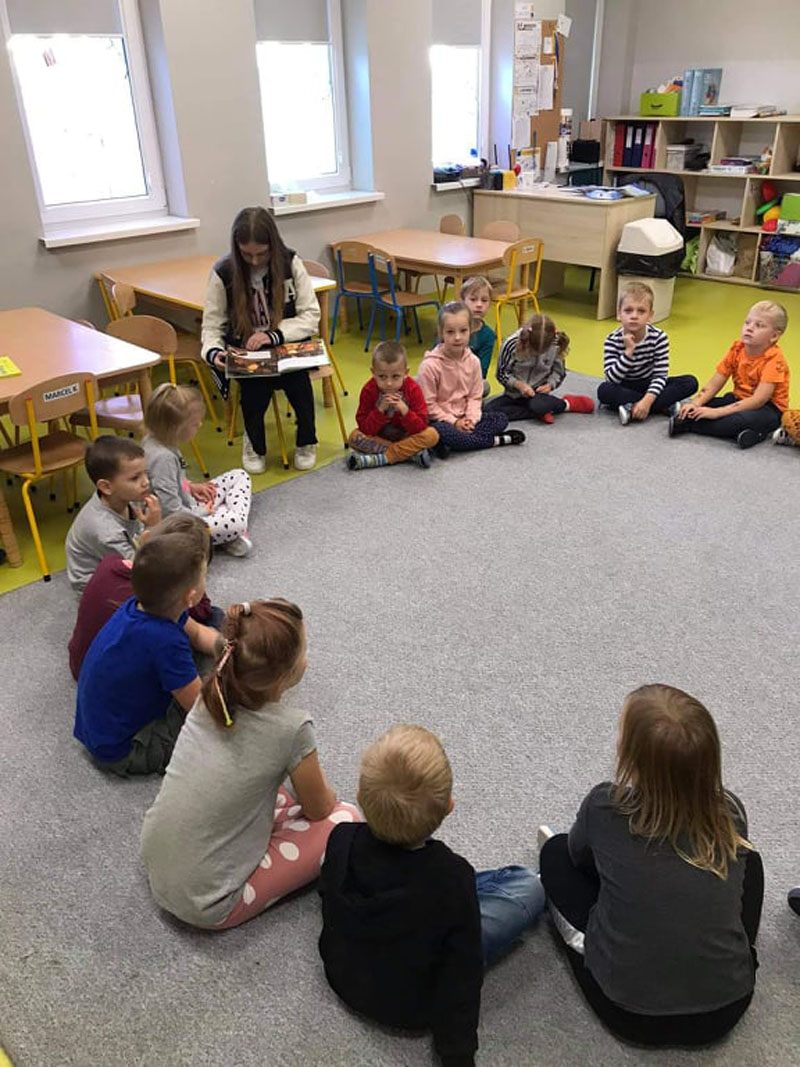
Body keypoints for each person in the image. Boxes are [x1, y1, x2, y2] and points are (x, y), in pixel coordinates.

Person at [539, 684, 763, 1048]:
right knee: (747, 862)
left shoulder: (604, 805)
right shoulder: (730, 813)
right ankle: (726, 950)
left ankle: (604, 937)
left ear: (630, 757)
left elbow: (578, 857)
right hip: (727, 1007)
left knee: (553, 853)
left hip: (628, 1013)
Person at [319, 724, 545, 1067]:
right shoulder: (451, 877)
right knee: (529, 886)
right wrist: (457, 1055)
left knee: (456, 897)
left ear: (361, 797)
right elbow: (461, 974)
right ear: (448, 807)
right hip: (412, 1005)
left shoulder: (342, 838)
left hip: (344, 975)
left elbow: (329, 895)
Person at [141, 599, 360, 928]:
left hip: (156, 857)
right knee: (346, 819)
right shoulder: (292, 728)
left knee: (268, 787)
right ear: (286, 674)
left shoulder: (208, 694)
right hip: (207, 900)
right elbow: (320, 808)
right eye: (303, 651)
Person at [74, 528, 222, 776]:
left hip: (101, 729)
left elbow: (197, 633)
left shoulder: (144, 604)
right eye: (204, 576)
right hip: (125, 750)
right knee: (218, 706)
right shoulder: (166, 642)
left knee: (213, 629)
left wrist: (227, 646)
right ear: (190, 596)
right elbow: (202, 709)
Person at [201, 206, 321, 473]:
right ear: (237, 249)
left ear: (273, 246)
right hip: (247, 350)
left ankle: (306, 440)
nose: (254, 261)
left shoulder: (290, 263)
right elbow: (211, 326)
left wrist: (273, 335)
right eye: (247, 254)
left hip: (286, 344)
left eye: (262, 253)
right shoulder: (223, 271)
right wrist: (213, 352)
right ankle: (254, 442)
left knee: (299, 386)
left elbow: (311, 315)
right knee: (254, 392)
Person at [67, 514, 220, 681]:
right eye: (203, 575)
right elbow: (202, 611)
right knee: (213, 616)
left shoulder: (111, 563)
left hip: (82, 664)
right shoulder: (161, 618)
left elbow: (195, 630)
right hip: (112, 681)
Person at [143, 382, 253, 556]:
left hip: (190, 505)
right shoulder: (162, 458)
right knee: (236, 523)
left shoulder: (160, 440)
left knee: (239, 475)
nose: (200, 425)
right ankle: (225, 533)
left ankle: (219, 534)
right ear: (176, 428)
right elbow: (171, 512)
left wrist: (190, 486)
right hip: (177, 525)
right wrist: (203, 512)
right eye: (194, 424)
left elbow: (173, 481)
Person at [672, 301, 790, 448]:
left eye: (759, 325)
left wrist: (717, 413)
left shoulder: (774, 361)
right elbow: (715, 383)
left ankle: (689, 426)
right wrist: (696, 403)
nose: (749, 328)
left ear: (774, 336)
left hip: (767, 409)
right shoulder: (737, 349)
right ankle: (743, 433)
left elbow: (758, 400)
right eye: (747, 322)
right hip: (738, 399)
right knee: (698, 405)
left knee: (734, 420)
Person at [417, 302, 525, 456]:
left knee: (501, 419)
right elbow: (429, 406)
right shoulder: (429, 366)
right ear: (441, 332)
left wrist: (471, 419)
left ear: (470, 330)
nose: (457, 337)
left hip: (465, 416)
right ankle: (496, 440)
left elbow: (475, 396)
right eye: (450, 332)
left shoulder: (473, 361)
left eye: (463, 331)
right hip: (441, 420)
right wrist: (454, 422)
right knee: (440, 431)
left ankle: (455, 443)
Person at [65, 435, 162, 595]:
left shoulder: (123, 496)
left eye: (145, 473)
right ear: (106, 487)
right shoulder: (106, 531)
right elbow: (140, 569)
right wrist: (153, 527)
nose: (146, 482)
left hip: (122, 557)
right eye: (135, 478)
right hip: (97, 589)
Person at [598, 282, 697, 424]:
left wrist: (647, 401)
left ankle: (634, 407)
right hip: (625, 384)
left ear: (650, 315)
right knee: (604, 390)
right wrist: (628, 353)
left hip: (650, 384)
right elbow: (611, 379)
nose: (634, 316)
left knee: (690, 382)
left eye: (641, 311)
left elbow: (660, 375)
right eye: (628, 310)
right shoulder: (612, 340)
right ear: (619, 314)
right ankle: (663, 406)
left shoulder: (659, 337)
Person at [347, 340, 439, 470]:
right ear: (373, 373)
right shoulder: (369, 390)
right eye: (382, 377)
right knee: (354, 437)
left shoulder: (413, 388)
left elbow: (421, 426)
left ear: (406, 373)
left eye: (395, 377)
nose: (389, 383)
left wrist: (405, 411)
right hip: (381, 437)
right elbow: (365, 428)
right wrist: (380, 410)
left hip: (406, 436)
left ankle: (381, 458)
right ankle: (410, 455)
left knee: (432, 435)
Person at [486, 313, 594, 424]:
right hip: (514, 394)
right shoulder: (512, 344)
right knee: (488, 411)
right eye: (533, 350)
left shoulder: (556, 342)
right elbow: (501, 373)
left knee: (538, 405)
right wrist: (518, 385)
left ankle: (566, 404)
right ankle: (543, 411)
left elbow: (559, 372)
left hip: (538, 395)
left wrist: (550, 385)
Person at [460, 276, 496, 395]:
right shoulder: (452, 324)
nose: (479, 305)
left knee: (485, 386)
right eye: (473, 299)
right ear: (463, 302)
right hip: (444, 375)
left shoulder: (488, 335)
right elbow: (435, 354)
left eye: (484, 300)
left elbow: (482, 371)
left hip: (468, 381)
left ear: (489, 304)